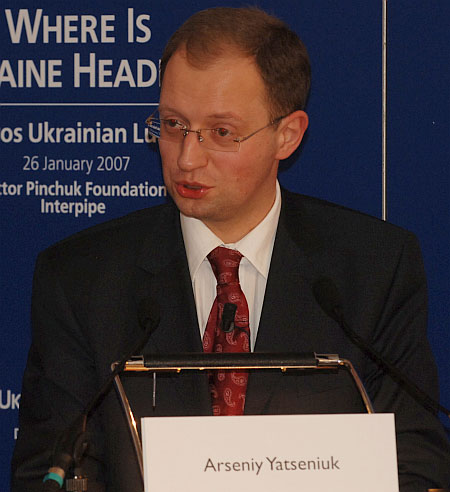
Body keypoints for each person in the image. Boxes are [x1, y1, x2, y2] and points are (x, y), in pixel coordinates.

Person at [11, 6, 450, 492]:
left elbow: (414, 464)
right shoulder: (81, 279)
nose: (187, 157)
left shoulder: (374, 269)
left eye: (221, 132)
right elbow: (49, 471)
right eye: (173, 124)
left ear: (287, 135)